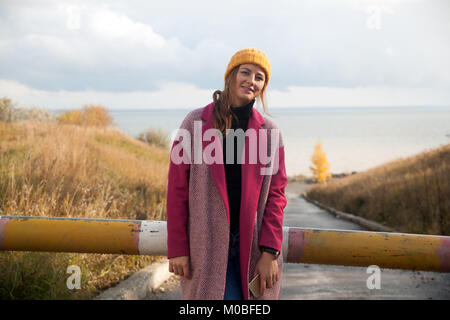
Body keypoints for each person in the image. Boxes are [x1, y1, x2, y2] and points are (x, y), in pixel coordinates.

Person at [166, 48, 288, 300]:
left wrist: (269, 251)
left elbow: (277, 194)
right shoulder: (195, 122)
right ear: (230, 76)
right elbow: (176, 188)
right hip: (206, 245)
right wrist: (178, 247)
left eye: (259, 77)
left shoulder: (270, 132)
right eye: (245, 72)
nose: (251, 81)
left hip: (252, 246)